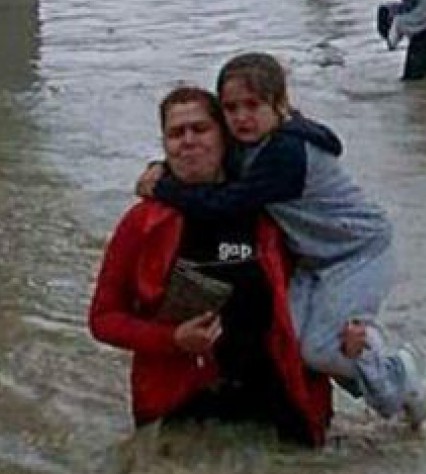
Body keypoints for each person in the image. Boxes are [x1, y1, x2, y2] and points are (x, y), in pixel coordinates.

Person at [136, 54, 426, 428]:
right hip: (315, 257)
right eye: (231, 108)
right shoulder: (253, 138)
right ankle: (374, 367)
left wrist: (163, 189)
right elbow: (201, 156)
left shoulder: (286, 153)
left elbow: (227, 203)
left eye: (253, 106)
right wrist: (161, 164)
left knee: (320, 350)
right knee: (289, 341)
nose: (242, 118)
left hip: (359, 250)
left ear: (280, 104)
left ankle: (393, 366)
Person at [88, 86, 332, 446]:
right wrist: (172, 339)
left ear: (225, 136)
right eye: (175, 133)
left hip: (279, 397)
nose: (188, 141)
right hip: (179, 401)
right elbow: (103, 319)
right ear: (164, 144)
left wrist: (351, 330)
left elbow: (332, 272)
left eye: (200, 129)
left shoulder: (276, 209)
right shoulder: (141, 223)